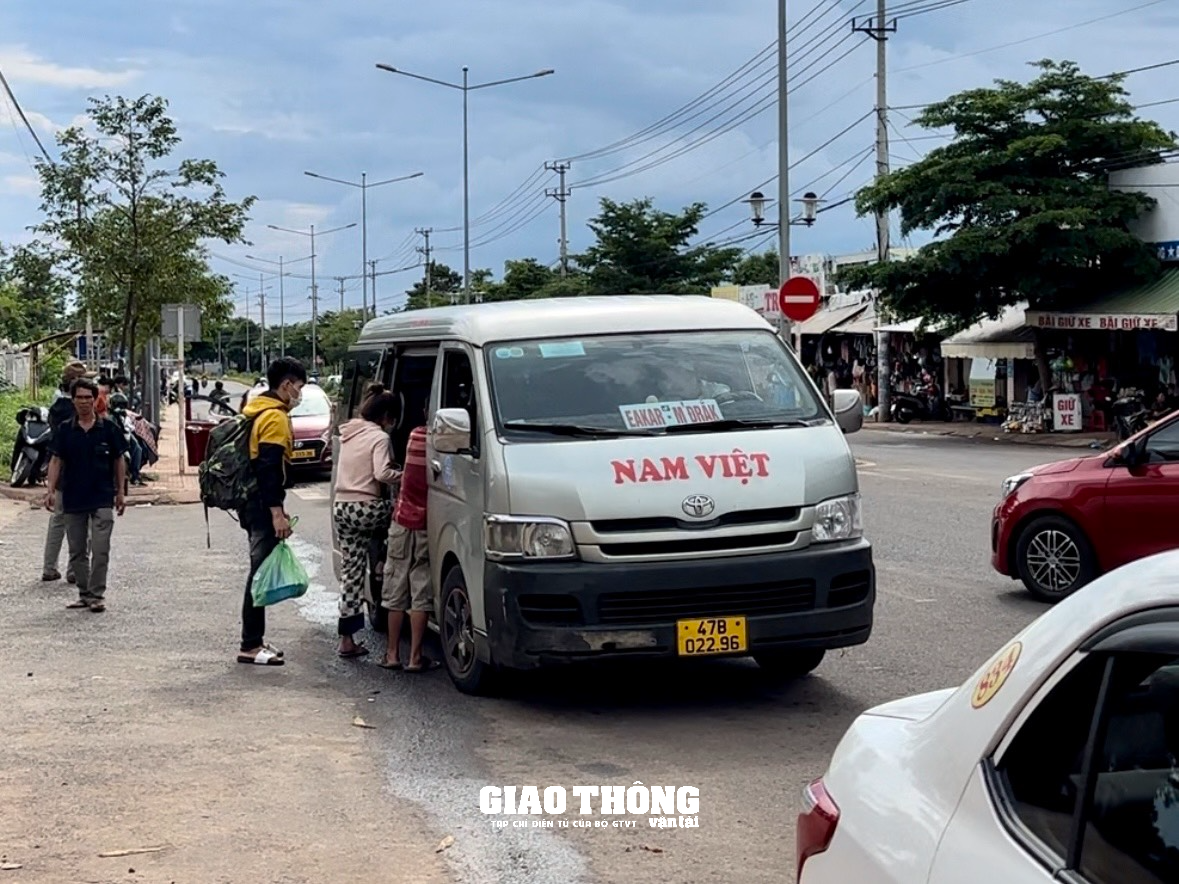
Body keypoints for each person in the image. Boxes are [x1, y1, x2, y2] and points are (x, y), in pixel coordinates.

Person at [237, 357, 306, 666]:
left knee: (258, 569)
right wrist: (277, 512)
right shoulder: (274, 418)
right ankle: (250, 645)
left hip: (251, 501)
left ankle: (255, 640)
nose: (300, 393)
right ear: (286, 385)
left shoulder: (258, 409)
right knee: (258, 572)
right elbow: (269, 467)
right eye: (299, 386)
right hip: (261, 504)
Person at [43, 377, 127, 612]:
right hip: (73, 497)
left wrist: (121, 492)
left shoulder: (109, 428)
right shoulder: (65, 430)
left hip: (102, 496)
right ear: (73, 400)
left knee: (100, 549)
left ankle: (97, 594)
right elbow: (56, 460)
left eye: (88, 398)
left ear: (95, 399)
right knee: (77, 551)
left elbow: (119, 460)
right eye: (79, 398)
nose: (84, 402)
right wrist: (50, 491)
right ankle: (85, 593)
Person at [332, 384, 402, 658]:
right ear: (386, 415)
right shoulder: (379, 438)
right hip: (365, 507)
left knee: (351, 574)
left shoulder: (350, 431)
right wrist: (407, 474)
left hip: (342, 507)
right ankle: (384, 561)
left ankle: (346, 639)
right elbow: (383, 473)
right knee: (401, 512)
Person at [381, 422, 435, 671]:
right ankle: (415, 658)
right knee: (420, 590)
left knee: (396, 589)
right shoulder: (443, 444)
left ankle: (392, 655)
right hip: (426, 525)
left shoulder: (416, 435)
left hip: (401, 523)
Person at [42, 361, 96, 583]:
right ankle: (75, 569)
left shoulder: (56, 408)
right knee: (86, 523)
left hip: (62, 475)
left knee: (59, 520)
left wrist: (50, 487)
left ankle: (49, 566)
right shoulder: (74, 413)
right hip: (78, 472)